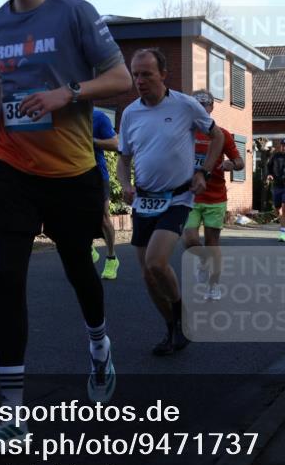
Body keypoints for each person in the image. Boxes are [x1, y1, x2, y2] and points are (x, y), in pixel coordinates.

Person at [0, 0, 133, 429]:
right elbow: (2, 85)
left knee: (79, 268)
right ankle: (12, 415)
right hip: (13, 165)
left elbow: (121, 78)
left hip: (70, 170)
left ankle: (99, 345)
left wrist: (69, 93)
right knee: (8, 277)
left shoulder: (76, 13)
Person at [118, 49, 224, 355]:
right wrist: (125, 184)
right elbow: (123, 159)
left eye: (146, 74)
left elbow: (217, 137)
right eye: (136, 75)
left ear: (163, 74)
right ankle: (172, 328)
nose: (140, 81)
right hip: (144, 201)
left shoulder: (185, 105)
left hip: (178, 197)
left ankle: (180, 314)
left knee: (156, 261)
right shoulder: (130, 114)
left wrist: (203, 172)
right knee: (147, 275)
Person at [183, 91, 244, 301]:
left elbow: (240, 162)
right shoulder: (184, 132)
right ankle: (203, 261)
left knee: (212, 243)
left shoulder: (222, 134)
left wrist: (231, 164)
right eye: (196, 104)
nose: (201, 107)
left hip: (216, 197)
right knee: (189, 240)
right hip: (190, 196)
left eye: (205, 104)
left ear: (211, 107)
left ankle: (214, 285)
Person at [91, 108, 120, 279]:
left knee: (103, 218)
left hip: (96, 175)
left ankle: (111, 257)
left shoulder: (98, 117)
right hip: (71, 174)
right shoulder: (62, 116)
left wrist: (92, 141)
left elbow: (116, 144)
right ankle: (88, 247)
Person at [265, 139, 285, 242]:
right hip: (277, 186)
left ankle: (282, 234)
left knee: (284, 208)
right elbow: (269, 167)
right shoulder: (275, 156)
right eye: (283, 145)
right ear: (280, 146)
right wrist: (269, 175)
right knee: (277, 210)